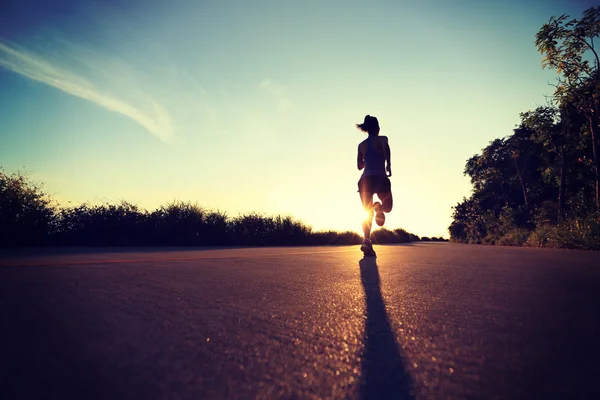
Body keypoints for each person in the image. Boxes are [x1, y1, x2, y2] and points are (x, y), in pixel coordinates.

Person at [356, 115, 393, 256]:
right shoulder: (383, 139)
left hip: (365, 180)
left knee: (367, 213)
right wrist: (388, 164)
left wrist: (366, 157)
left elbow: (359, 166)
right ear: (378, 128)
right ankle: (379, 207)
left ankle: (366, 240)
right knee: (388, 207)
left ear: (366, 130)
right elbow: (386, 149)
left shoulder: (361, 145)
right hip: (380, 178)